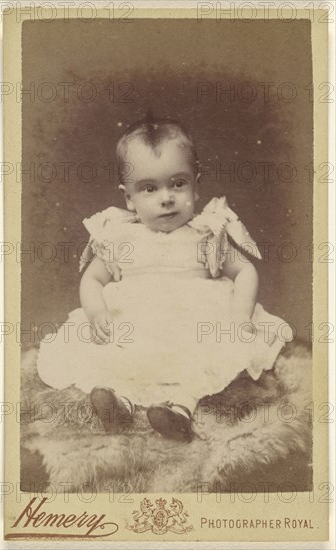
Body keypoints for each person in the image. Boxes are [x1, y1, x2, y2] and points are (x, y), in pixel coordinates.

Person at [37, 117, 293, 442]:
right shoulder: (120, 238)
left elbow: (244, 270)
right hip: (139, 321)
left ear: (196, 186)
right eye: (149, 188)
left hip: (194, 322)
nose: (166, 198)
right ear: (128, 198)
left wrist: (240, 315)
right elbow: (92, 280)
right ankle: (120, 405)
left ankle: (180, 411)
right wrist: (96, 312)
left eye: (178, 184)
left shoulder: (206, 233)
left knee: (204, 355)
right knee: (120, 357)